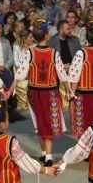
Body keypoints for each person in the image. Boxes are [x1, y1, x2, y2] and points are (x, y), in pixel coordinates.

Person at [8, 23, 67, 166]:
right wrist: (70, 91)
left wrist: (10, 90)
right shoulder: (54, 53)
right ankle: (48, 156)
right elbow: (62, 75)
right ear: (47, 36)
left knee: (39, 122)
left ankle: (44, 154)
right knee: (48, 123)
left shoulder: (30, 53)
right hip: (50, 92)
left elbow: (20, 73)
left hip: (34, 93)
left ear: (34, 37)